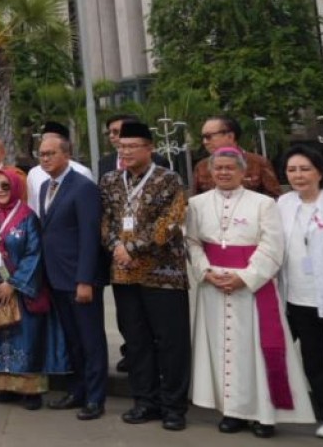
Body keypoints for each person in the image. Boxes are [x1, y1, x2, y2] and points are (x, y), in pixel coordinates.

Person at [188, 147, 314, 437]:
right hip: (213, 287)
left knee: (255, 351)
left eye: (230, 168)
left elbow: (272, 246)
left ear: (243, 172)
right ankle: (232, 412)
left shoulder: (263, 204)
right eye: (217, 168)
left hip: (252, 289)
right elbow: (192, 243)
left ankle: (264, 415)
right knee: (223, 349)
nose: (223, 172)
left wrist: (245, 277)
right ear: (210, 172)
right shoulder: (197, 203)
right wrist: (205, 271)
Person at [100, 120, 190, 430]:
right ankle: (144, 401)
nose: (124, 152)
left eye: (131, 147)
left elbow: (172, 221)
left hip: (163, 274)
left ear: (149, 148)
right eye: (121, 147)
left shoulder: (169, 180)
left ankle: (174, 405)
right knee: (136, 340)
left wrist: (134, 247)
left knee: (170, 341)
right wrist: (115, 247)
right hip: (124, 275)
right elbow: (106, 221)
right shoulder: (110, 180)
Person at [0, 167, 69, 412]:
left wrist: (14, 283)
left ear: (16, 188)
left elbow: (34, 254)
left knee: (26, 339)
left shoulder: (28, 217)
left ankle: (30, 390)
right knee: (1, 338)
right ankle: (6, 386)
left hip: (21, 291)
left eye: (5, 186)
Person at [37, 135, 107, 420]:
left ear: (66, 155)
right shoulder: (44, 187)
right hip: (55, 278)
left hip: (80, 279)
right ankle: (77, 390)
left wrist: (85, 280)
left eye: (50, 153)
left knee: (91, 340)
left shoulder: (84, 188)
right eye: (41, 154)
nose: (44, 159)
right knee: (72, 340)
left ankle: (95, 397)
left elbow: (90, 238)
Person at [278, 145, 323, 441]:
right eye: (292, 170)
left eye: (304, 169)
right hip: (299, 299)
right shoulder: (283, 204)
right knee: (315, 362)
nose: (298, 175)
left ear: (320, 171)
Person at [191, 115, 282, 196]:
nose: (205, 142)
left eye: (208, 136)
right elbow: (195, 203)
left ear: (230, 136)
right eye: (203, 137)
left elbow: (274, 198)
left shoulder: (258, 163)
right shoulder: (201, 167)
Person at [26, 122, 92, 209]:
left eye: (52, 140)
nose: (47, 144)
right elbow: (32, 207)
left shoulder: (81, 172)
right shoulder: (34, 173)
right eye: (44, 140)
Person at [96, 115, 168, 178]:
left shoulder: (159, 161)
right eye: (109, 132)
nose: (111, 136)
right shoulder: (104, 162)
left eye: (116, 132)